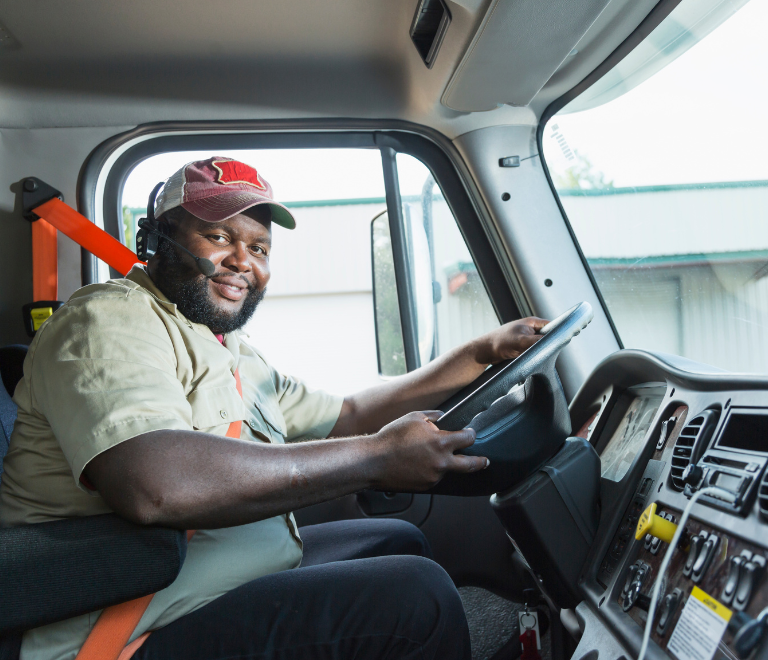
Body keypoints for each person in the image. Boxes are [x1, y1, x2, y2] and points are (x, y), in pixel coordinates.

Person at [0, 157, 547, 660]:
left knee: (397, 541)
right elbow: (154, 483)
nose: (243, 261)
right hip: (127, 631)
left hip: (210, 583)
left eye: (259, 248)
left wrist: (479, 354)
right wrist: (376, 459)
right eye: (218, 236)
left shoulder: (225, 348)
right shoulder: (110, 321)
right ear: (156, 240)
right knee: (417, 599)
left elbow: (349, 413)